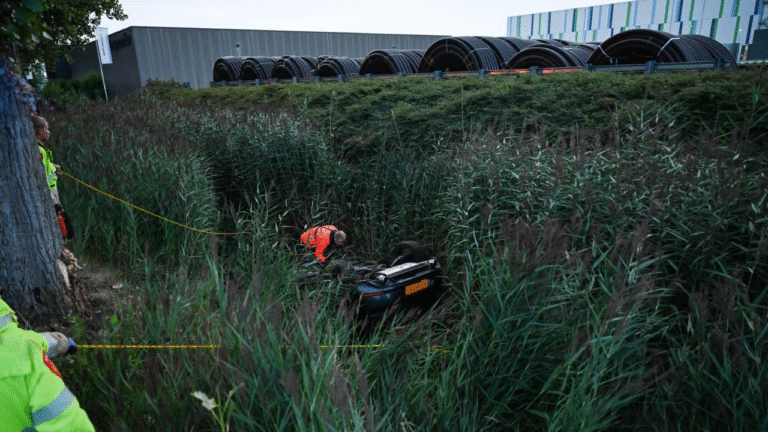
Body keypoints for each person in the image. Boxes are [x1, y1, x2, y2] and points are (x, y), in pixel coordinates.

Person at [0, 296, 96, 431]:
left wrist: (53, 342)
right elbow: (69, 426)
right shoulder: (25, 358)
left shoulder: (23, 346)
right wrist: (61, 342)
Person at [31, 113, 61, 205]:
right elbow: (43, 173)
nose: (49, 132)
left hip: (52, 191)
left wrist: (53, 166)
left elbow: (45, 165)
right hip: (49, 194)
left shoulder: (40, 149)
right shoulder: (40, 150)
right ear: (39, 131)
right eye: (46, 129)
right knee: (63, 219)